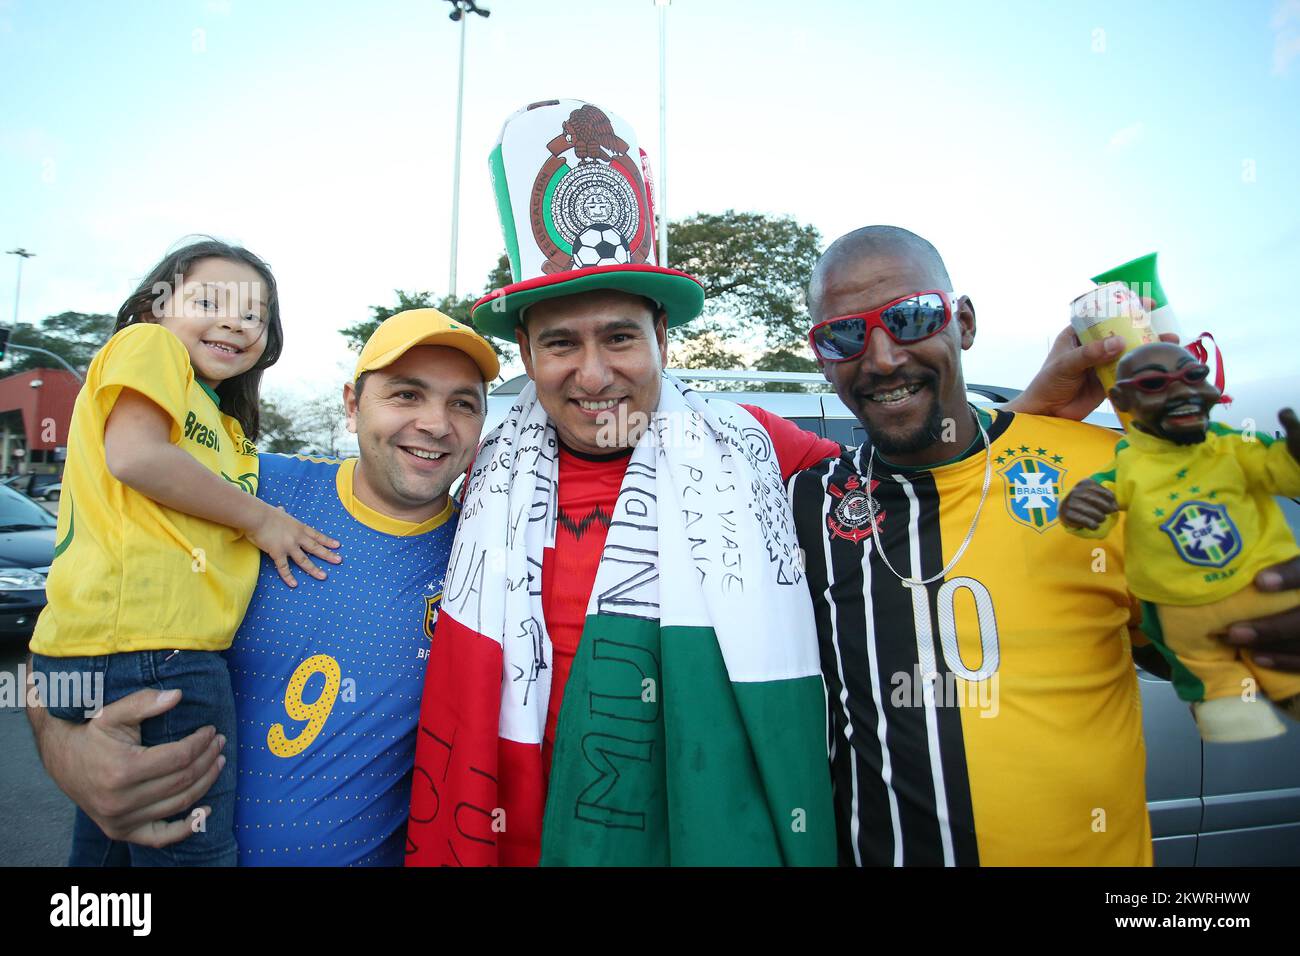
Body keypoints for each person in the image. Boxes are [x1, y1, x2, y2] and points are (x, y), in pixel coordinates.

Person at [405, 100, 842, 866]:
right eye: (561, 344)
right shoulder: (481, 474)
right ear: (529, 358)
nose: (594, 374)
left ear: (663, 340)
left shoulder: (757, 447)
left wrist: (1039, 415)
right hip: (526, 824)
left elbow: (913, 491)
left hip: (697, 822)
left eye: (619, 338)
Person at [788, 225, 1300, 866]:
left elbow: (1200, 649)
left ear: (964, 322)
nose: (883, 357)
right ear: (822, 357)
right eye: (844, 335)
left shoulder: (1101, 473)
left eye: (912, 317)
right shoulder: (809, 504)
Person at [27, 308, 499, 866]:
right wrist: (67, 751)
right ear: (352, 405)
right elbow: (67, 634)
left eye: (462, 404)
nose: (436, 424)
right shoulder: (242, 491)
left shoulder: (491, 556)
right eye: (405, 395)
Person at [27, 238, 341, 866]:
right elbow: (137, 456)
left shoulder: (222, 421)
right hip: (156, 649)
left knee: (114, 847)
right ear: (155, 307)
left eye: (254, 314)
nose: (234, 320)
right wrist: (262, 520)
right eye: (210, 300)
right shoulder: (150, 346)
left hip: (108, 647)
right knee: (193, 853)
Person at [1061, 342, 1300, 742]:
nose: (1183, 392)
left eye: (1194, 377)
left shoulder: (1233, 446)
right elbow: (1091, 520)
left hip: (1263, 590)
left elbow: (1284, 474)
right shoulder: (1127, 464)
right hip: (1182, 610)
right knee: (1203, 666)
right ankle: (1227, 706)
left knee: (1289, 673)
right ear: (1122, 399)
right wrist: (1080, 509)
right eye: (1156, 383)